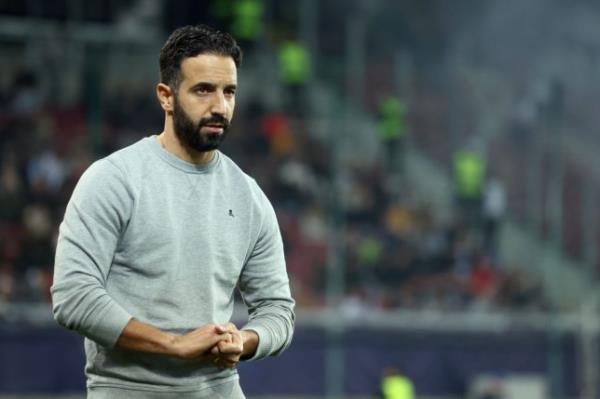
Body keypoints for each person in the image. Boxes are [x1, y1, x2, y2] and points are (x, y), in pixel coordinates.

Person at [51, 25, 295, 398]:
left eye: (229, 92)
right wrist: (172, 344)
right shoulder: (113, 179)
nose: (220, 106)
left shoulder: (248, 195)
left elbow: (278, 309)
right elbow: (73, 296)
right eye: (203, 90)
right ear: (166, 96)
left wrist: (244, 340)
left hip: (219, 388)